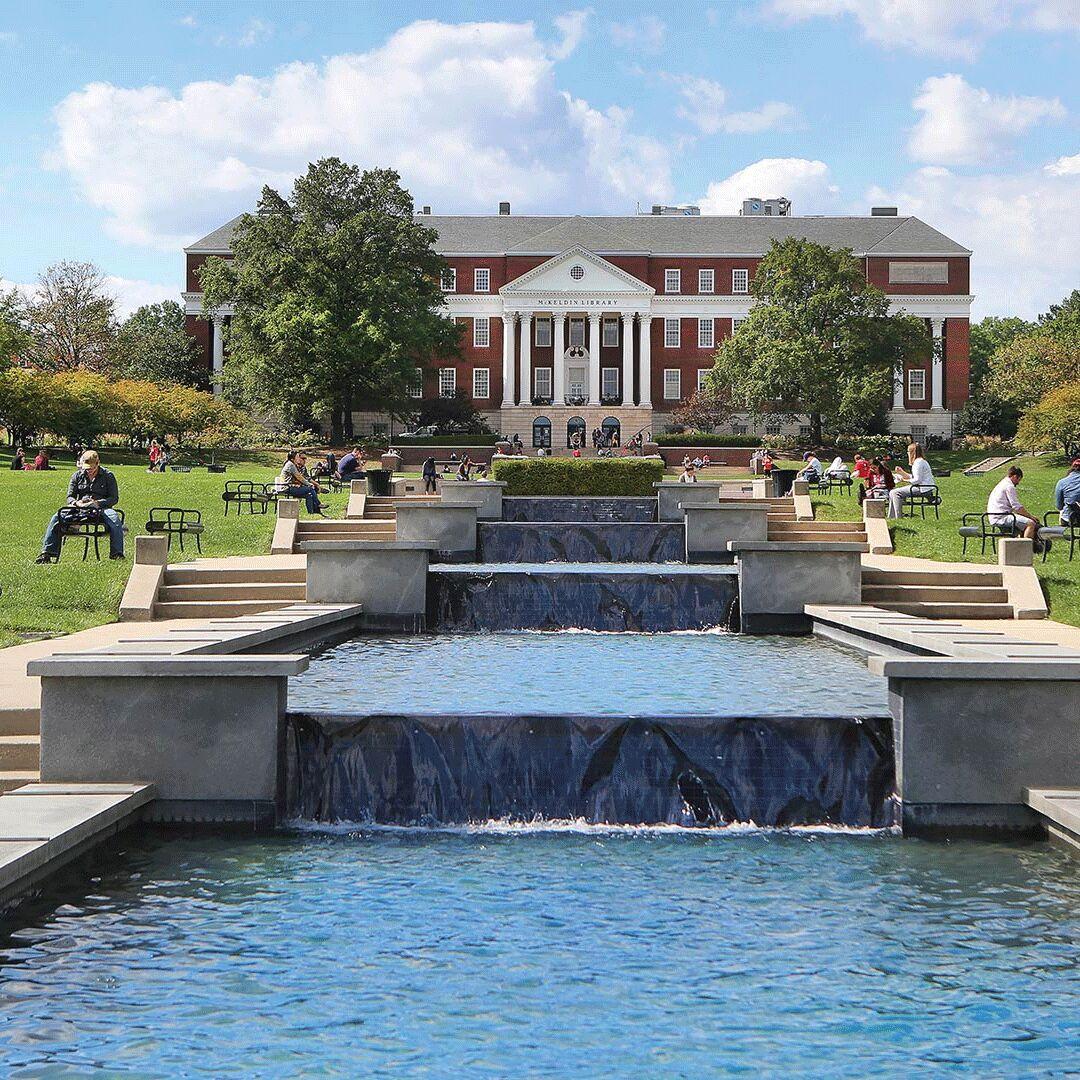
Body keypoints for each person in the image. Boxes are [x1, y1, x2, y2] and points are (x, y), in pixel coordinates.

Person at [36, 450, 124, 563]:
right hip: (80, 507)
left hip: (101, 507)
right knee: (56, 517)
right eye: (86, 469)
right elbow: (70, 496)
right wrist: (77, 503)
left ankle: (117, 553)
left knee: (114, 519)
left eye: (91, 468)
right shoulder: (77, 476)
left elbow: (113, 498)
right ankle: (47, 553)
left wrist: (97, 503)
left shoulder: (108, 476)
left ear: (98, 463)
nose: (89, 471)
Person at [987, 466, 1038, 541]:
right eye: (1019, 479)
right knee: (1030, 524)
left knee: (1023, 522)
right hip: (1001, 517)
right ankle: (1026, 549)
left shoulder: (1002, 483)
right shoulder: (1009, 486)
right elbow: (1017, 507)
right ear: (1015, 476)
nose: (1018, 483)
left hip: (994, 516)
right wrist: (1031, 517)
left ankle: (1019, 546)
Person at [888, 442, 935, 519]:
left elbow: (917, 480)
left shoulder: (918, 463)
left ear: (912, 452)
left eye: (908, 451)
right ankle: (892, 516)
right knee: (893, 492)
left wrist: (903, 480)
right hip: (926, 488)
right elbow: (914, 477)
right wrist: (902, 472)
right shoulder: (921, 461)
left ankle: (897, 517)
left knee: (895, 492)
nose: (907, 453)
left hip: (923, 489)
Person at [275, 450, 326, 515]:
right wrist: (309, 484)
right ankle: (318, 504)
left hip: (291, 486)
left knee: (309, 495)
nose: (298, 458)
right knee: (310, 489)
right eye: (297, 457)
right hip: (287, 488)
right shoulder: (290, 465)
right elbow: (299, 477)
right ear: (293, 459)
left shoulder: (292, 464)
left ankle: (311, 513)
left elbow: (302, 478)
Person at [1053, 458, 1080, 525]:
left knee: (1062, 512)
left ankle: (1061, 531)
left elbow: (1059, 506)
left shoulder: (1062, 482)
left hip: (1069, 519)